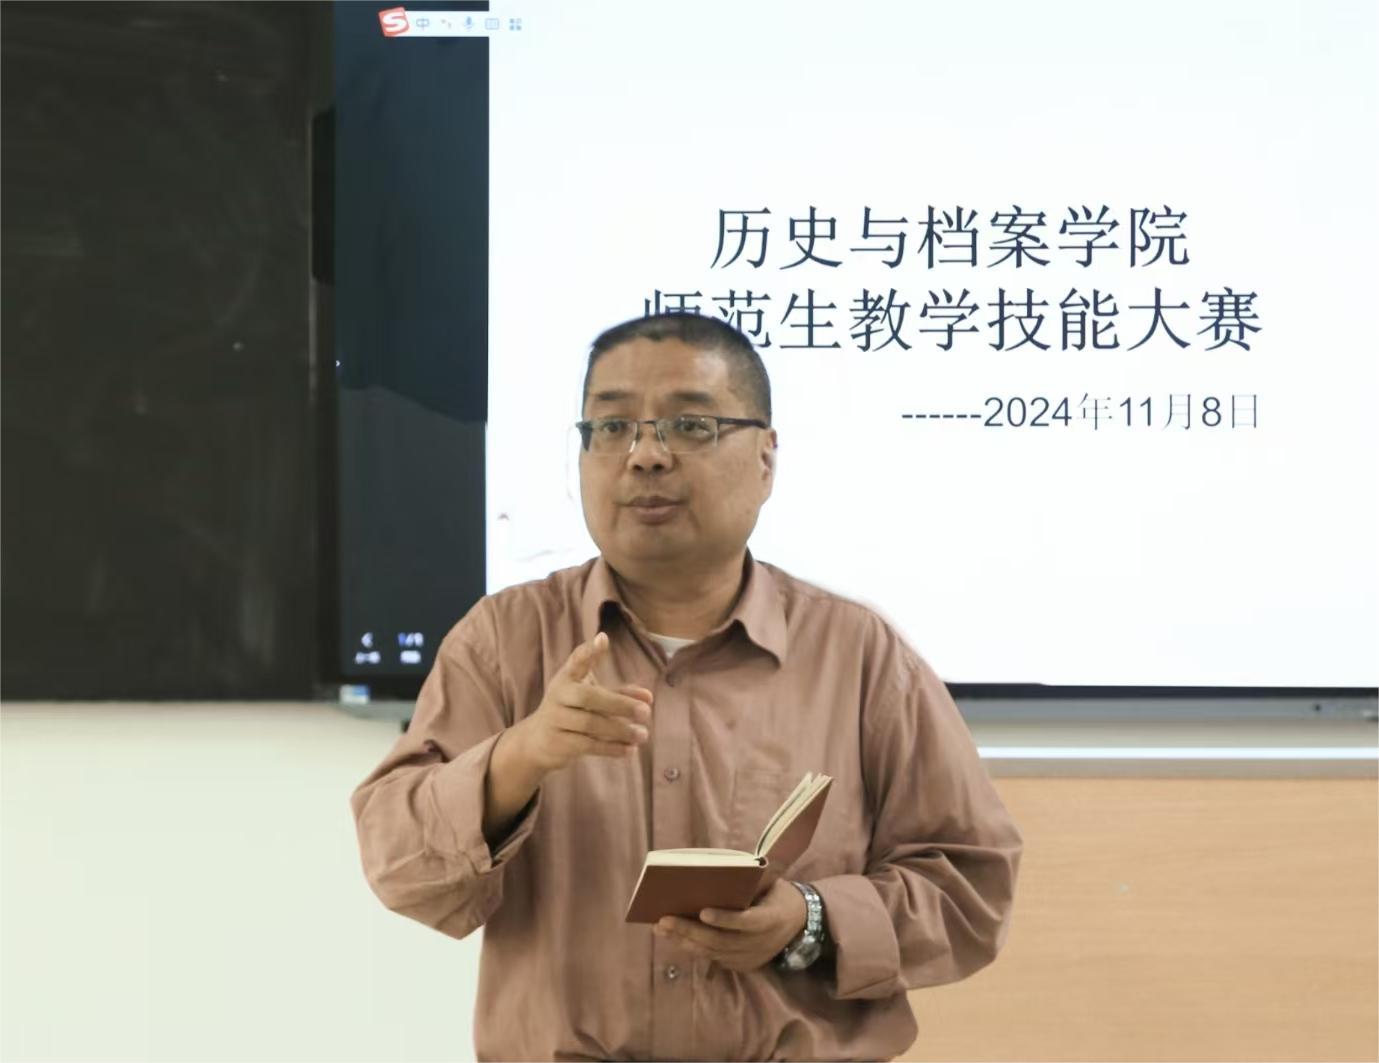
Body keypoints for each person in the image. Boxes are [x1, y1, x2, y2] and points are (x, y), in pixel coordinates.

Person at [349, 312, 1024, 1061]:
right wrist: (521, 756)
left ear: (765, 459)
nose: (645, 456)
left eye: (690, 425)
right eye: (612, 427)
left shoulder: (859, 654)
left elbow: (971, 887)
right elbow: (398, 867)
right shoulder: (503, 641)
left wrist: (808, 919)